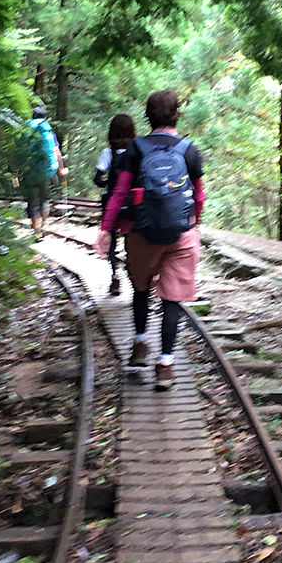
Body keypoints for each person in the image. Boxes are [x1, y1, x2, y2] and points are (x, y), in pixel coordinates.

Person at [96, 90, 204, 390]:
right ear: (177, 115)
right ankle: (166, 364)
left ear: (148, 116)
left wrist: (106, 229)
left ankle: (140, 343)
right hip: (181, 234)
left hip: (141, 233)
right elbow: (199, 194)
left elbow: (120, 192)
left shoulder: (137, 148)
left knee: (141, 289)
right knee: (172, 299)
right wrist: (193, 222)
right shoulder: (189, 150)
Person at [93, 112, 136, 296]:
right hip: (131, 203)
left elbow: (97, 179)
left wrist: (109, 184)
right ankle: (133, 275)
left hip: (111, 203)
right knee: (130, 240)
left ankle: (115, 275)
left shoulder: (107, 153)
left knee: (111, 241)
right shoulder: (135, 151)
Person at [21, 105, 67, 242]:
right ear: (45, 118)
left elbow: (19, 151)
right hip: (47, 172)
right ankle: (43, 226)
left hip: (29, 171)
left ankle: (37, 232)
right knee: (44, 200)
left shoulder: (26, 131)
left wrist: (16, 172)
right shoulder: (49, 132)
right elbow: (56, 152)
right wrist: (61, 169)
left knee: (32, 202)